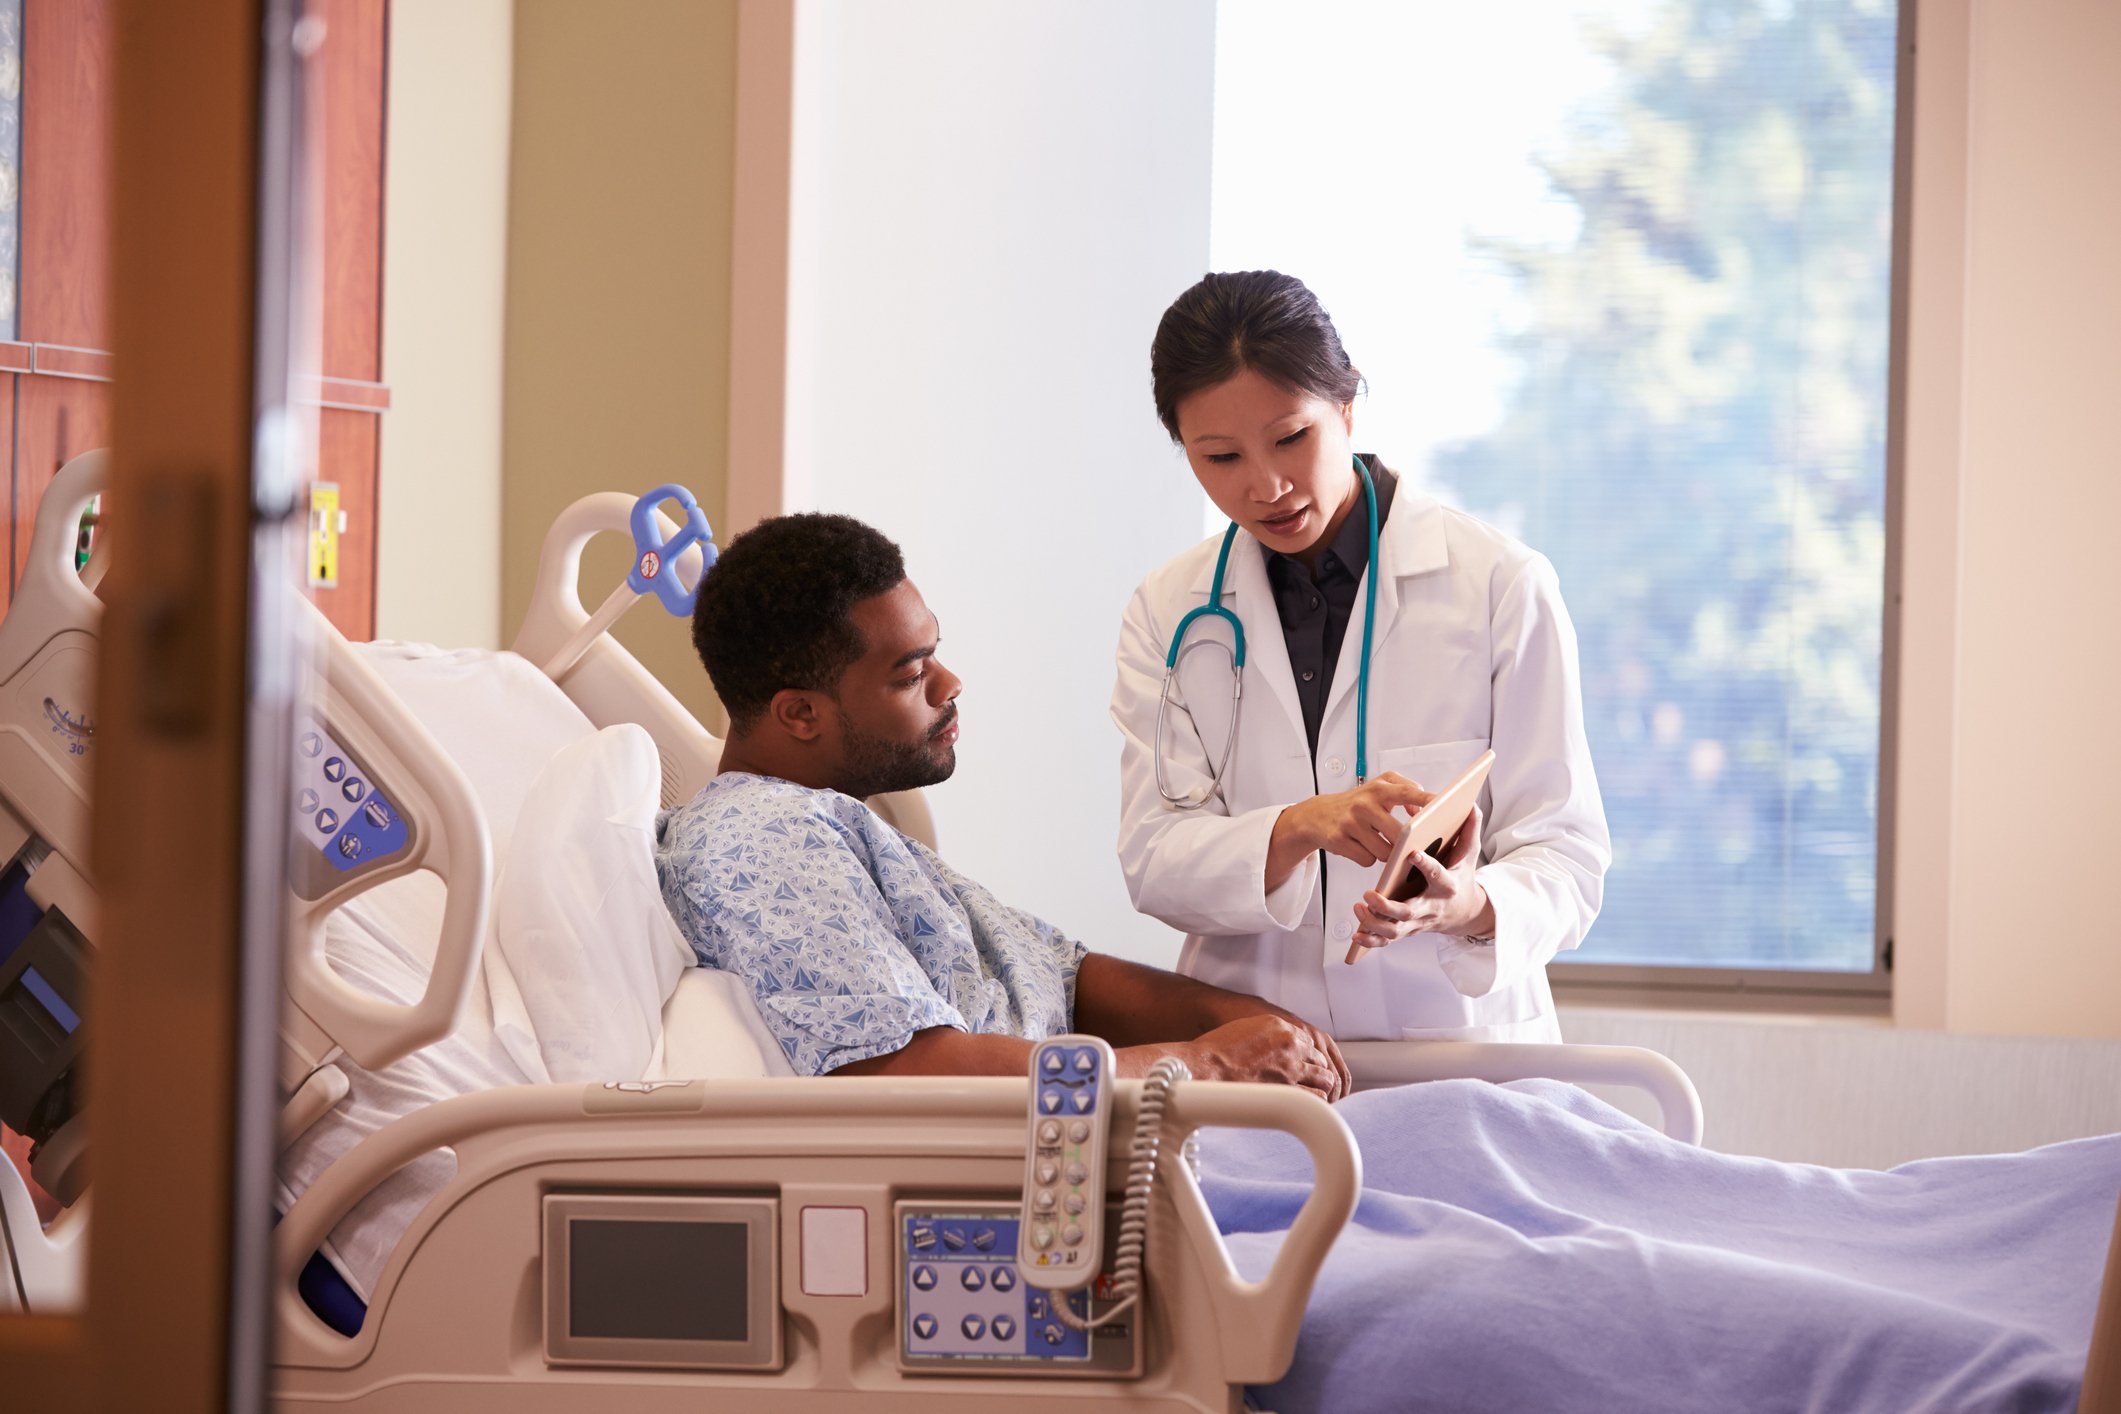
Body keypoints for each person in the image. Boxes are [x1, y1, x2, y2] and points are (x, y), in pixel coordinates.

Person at [654, 510, 1351, 1100]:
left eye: (936, 653)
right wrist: (1211, 1063)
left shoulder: (841, 826)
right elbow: (909, 1073)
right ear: (800, 712)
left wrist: (1252, 1021)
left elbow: (1065, 977)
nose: (949, 684)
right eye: (911, 673)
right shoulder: (764, 841)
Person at [1111, 270, 1609, 1043]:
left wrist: (1468, 905)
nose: (1265, 486)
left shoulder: (1498, 586)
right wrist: (1299, 826)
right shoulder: (1169, 610)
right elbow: (1154, 858)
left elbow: (1565, 852)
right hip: (1261, 1055)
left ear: (1345, 404)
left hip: (1455, 1054)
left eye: (1289, 438)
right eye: (1220, 457)